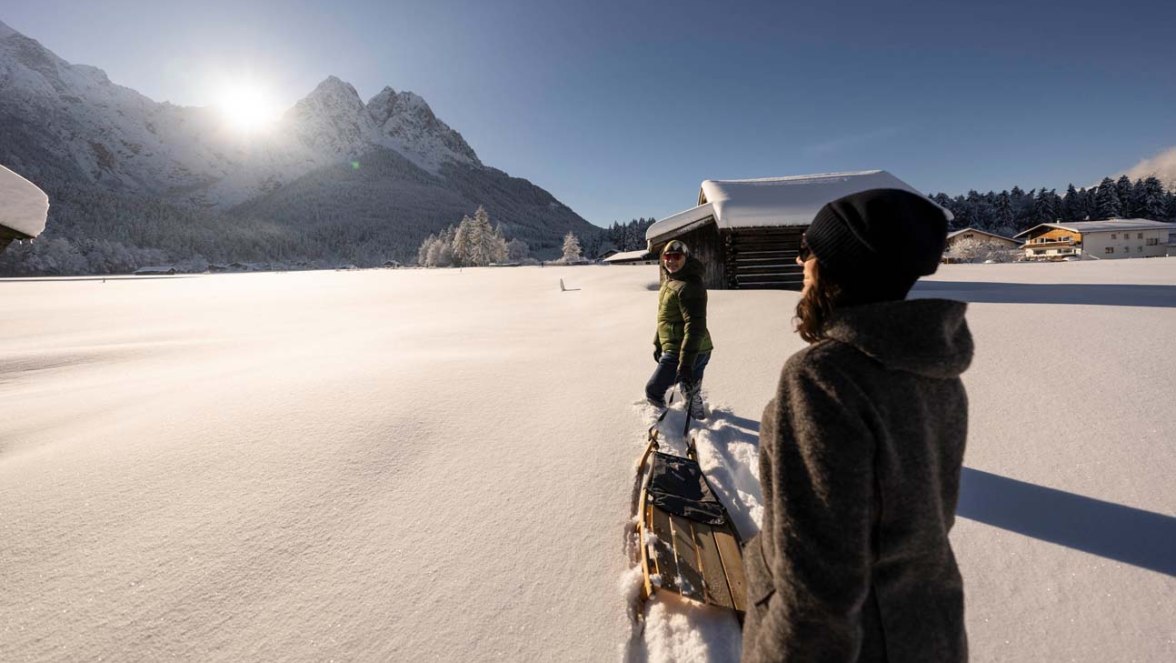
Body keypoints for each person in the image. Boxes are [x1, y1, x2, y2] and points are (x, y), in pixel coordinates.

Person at [742, 189, 972, 662]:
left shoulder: (824, 377)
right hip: (929, 630)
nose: (800, 263)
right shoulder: (935, 368)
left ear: (832, 267)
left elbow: (819, 586)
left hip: (856, 642)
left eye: (808, 250)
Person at [646, 239, 713, 419]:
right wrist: (658, 343)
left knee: (653, 391)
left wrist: (686, 362)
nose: (671, 261)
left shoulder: (690, 286)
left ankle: (666, 426)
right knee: (688, 387)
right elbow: (665, 318)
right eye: (667, 256)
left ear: (686, 258)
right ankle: (696, 420)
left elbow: (695, 327)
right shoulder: (672, 281)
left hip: (688, 349)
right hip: (683, 347)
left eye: (677, 256)